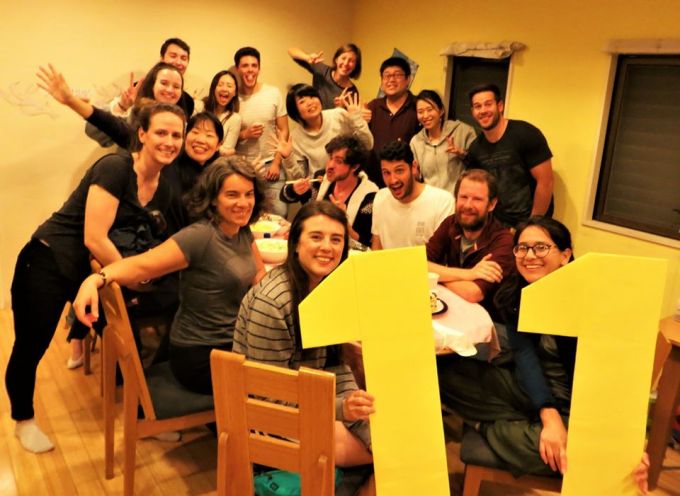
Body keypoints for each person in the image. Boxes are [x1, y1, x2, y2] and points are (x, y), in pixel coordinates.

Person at [6, 102, 186, 454]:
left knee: (129, 344)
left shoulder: (163, 187)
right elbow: (95, 237)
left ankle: (145, 416)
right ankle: (23, 420)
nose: (169, 141)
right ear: (142, 134)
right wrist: (133, 277)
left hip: (94, 272)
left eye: (176, 135)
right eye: (161, 132)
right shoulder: (115, 167)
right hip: (48, 260)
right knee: (31, 345)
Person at [73, 158, 267, 396]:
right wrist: (96, 279)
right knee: (278, 379)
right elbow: (141, 266)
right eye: (232, 195)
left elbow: (258, 274)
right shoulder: (200, 237)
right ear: (214, 199)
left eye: (249, 194)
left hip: (233, 341)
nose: (244, 203)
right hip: (202, 353)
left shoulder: (242, 230)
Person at [233, 201, 375, 493]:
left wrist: (352, 409)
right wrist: (342, 410)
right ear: (295, 243)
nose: (327, 247)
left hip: (309, 402)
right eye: (316, 237)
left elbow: (336, 365)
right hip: (271, 420)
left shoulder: (327, 289)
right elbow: (271, 398)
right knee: (389, 453)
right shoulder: (273, 302)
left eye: (336, 239)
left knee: (389, 437)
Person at [426, 169, 514, 320]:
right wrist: (469, 274)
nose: (467, 205)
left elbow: (473, 293)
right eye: (463, 197)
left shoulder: (503, 241)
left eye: (477, 199)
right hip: (453, 311)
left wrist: (436, 278)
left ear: (492, 204)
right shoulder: (451, 223)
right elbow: (418, 264)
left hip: (491, 323)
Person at [466, 83, 554, 228]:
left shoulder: (526, 134)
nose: (483, 110)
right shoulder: (475, 148)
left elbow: (546, 182)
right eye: (477, 106)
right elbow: (481, 189)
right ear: (473, 112)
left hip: (532, 222)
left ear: (500, 106)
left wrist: (531, 224)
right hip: (498, 225)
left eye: (488, 104)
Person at [281, 135, 378, 246]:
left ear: (354, 167)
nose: (330, 165)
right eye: (330, 158)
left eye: (339, 161)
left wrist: (343, 221)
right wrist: (294, 190)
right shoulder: (320, 179)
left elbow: (364, 243)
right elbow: (284, 196)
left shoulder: (369, 197)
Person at [234, 46, 289, 217]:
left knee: (278, 214)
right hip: (241, 167)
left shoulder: (273, 93)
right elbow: (224, 135)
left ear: (259, 68)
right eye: (245, 65)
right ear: (237, 69)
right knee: (244, 216)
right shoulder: (232, 97)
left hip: (270, 165)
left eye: (254, 65)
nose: (250, 70)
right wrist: (245, 134)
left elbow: (284, 130)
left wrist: (277, 163)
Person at [371, 141, 453, 250]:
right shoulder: (380, 198)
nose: (393, 180)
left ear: (413, 167)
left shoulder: (442, 202)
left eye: (399, 171)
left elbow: (445, 253)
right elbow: (377, 248)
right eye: (386, 173)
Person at [85, 61, 185, 149]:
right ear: (153, 85)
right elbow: (92, 129)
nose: (170, 90)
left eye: (176, 87)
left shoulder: (182, 123)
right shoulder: (136, 113)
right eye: (164, 83)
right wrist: (121, 106)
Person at [283, 83, 373, 178]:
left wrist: (356, 118)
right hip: (320, 183)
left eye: (312, 97)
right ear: (295, 111)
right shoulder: (296, 137)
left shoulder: (338, 115)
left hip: (349, 179)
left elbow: (367, 144)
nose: (310, 103)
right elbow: (299, 178)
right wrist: (288, 158)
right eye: (302, 102)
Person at [363, 56, 420, 186]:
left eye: (397, 75)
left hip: (406, 181)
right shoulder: (373, 106)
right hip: (374, 180)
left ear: (408, 79)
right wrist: (356, 120)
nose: (391, 80)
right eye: (387, 76)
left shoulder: (418, 106)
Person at [109, 37, 194, 118]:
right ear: (162, 58)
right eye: (173, 56)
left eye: (183, 58)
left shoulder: (188, 102)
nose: (178, 62)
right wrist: (123, 106)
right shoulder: (136, 90)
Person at [410, 89, 476, 193]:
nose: (425, 115)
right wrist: (415, 176)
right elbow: (419, 180)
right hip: (432, 199)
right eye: (420, 112)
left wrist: (462, 154)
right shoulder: (416, 142)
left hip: (458, 198)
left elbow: (478, 166)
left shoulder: (463, 131)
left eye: (429, 109)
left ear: (441, 111)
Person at [287, 43, 361, 109]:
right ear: (336, 59)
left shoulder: (352, 93)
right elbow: (291, 51)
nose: (346, 63)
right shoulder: (322, 70)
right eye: (343, 58)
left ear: (355, 66)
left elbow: (351, 118)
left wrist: (340, 109)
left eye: (351, 61)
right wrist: (307, 57)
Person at [197, 70, 241, 157]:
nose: (224, 89)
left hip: (215, 164)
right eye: (220, 85)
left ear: (235, 93)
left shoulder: (235, 119)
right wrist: (219, 148)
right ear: (213, 88)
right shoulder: (199, 107)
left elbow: (226, 153)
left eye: (229, 86)